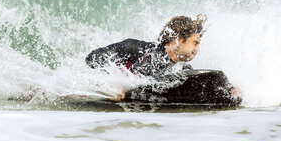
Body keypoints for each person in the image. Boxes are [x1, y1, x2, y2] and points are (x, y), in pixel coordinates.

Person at [86, 14, 241, 101]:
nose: (197, 49)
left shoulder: (183, 70)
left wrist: (230, 91)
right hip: (112, 109)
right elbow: (93, 58)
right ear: (179, 39)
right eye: (195, 43)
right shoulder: (137, 50)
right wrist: (113, 85)